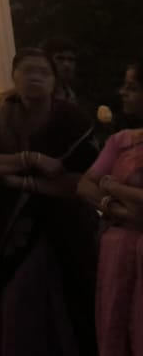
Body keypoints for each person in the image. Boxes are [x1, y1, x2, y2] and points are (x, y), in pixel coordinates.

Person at [0, 48, 99, 356]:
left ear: (54, 81)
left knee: (63, 301)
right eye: (27, 70)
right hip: (7, 225)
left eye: (43, 72)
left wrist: (20, 181)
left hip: (63, 227)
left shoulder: (72, 120)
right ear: (14, 76)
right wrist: (29, 159)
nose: (35, 78)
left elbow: (83, 181)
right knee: (11, 296)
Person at [79, 59, 143, 356]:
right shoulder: (123, 141)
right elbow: (85, 185)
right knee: (115, 325)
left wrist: (114, 187)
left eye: (132, 87)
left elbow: (101, 181)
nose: (122, 93)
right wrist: (113, 208)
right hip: (118, 248)